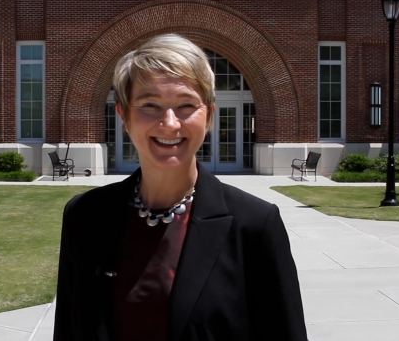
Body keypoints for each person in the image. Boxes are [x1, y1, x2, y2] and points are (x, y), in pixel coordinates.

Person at [53, 34, 307, 341]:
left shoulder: (254, 226)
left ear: (210, 115)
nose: (170, 123)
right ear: (124, 116)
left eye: (186, 105)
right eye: (150, 105)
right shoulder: (85, 216)